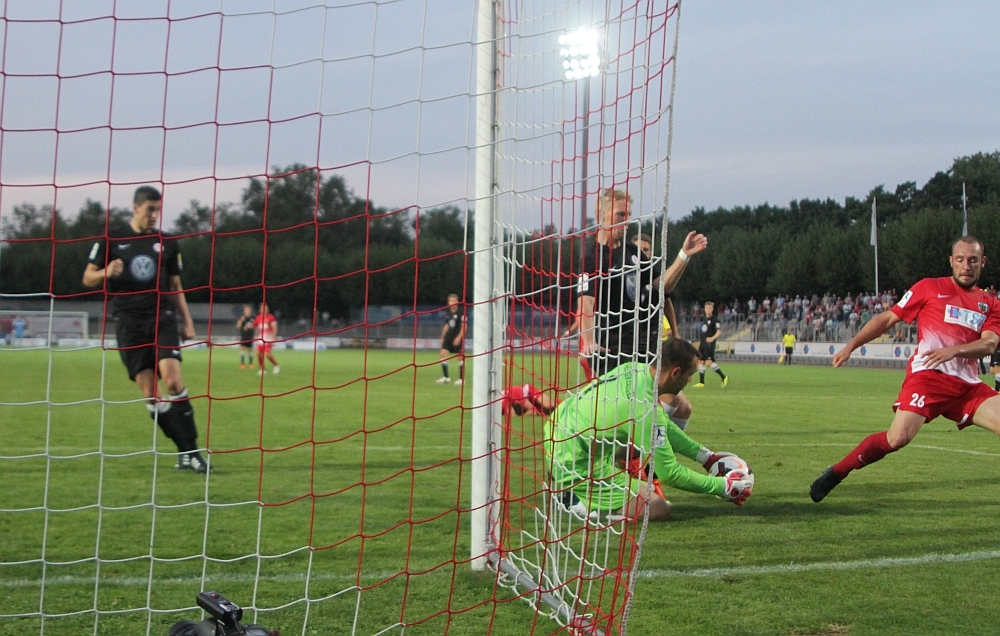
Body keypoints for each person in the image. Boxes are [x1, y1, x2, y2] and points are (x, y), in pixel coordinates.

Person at [810, 236, 1000, 502]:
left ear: (983, 262)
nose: (966, 266)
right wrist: (851, 346)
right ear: (951, 261)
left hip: (967, 387)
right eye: (960, 260)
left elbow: (989, 343)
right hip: (928, 377)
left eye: (973, 260)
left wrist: (953, 351)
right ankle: (838, 472)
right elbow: (888, 318)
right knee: (897, 438)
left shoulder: (990, 303)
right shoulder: (929, 287)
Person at [545, 337, 754, 522]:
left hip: (559, 428)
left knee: (637, 452)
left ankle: (572, 486)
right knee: (657, 508)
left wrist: (706, 457)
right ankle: (576, 502)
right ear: (676, 373)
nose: (690, 380)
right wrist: (723, 486)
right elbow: (670, 473)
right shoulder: (643, 408)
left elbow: (664, 427)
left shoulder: (635, 369)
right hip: (574, 459)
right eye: (689, 375)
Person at [82, 186, 210, 473]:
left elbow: (175, 285)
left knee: (173, 381)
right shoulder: (112, 240)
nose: (154, 215)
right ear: (135, 208)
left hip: (162, 319)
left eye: (158, 210)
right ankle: (186, 452)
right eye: (150, 209)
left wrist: (187, 320)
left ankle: (193, 452)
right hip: (129, 325)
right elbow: (87, 277)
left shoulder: (167, 242)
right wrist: (105, 272)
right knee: (152, 395)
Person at [577, 188, 706, 376]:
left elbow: (662, 288)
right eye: (621, 214)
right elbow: (585, 303)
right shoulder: (592, 258)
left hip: (643, 344)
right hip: (614, 348)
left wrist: (684, 255)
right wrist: (589, 341)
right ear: (600, 214)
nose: (626, 220)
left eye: (628, 214)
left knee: (672, 394)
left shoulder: (633, 252)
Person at [694, 301, 728, 387]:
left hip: (709, 344)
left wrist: (712, 338)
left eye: (710, 308)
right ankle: (701, 382)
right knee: (701, 361)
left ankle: (724, 377)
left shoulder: (715, 320)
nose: (708, 310)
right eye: (707, 308)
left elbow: (719, 331)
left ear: (712, 309)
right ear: (704, 309)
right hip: (703, 343)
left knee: (709, 363)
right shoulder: (704, 318)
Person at [437, 294, 466, 385]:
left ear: (457, 302)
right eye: (451, 301)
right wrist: (442, 337)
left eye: (454, 301)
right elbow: (447, 325)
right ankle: (446, 377)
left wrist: (459, 338)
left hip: (457, 337)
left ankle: (461, 379)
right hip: (448, 337)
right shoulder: (448, 312)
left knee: (460, 357)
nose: (452, 303)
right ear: (448, 302)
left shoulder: (461, 312)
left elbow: (464, 326)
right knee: (443, 354)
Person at [252, 303, 280, 375]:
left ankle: (276, 365)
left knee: (267, 354)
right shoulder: (258, 317)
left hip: (268, 339)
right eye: (262, 308)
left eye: (265, 308)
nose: (264, 310)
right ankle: (263, 369)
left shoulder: (271, 317)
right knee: (258, 353)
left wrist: (273, 338)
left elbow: (274, 328)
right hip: (260, 339)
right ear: (260, 310)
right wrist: (256, 333)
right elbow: (255, 326)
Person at [235, 305, 256, 369]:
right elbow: (238, 326)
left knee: (250, 350)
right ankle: (242, 363)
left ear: (250, 311)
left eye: (248, 310)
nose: (247, 311)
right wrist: (241, 321)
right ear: (244, 311)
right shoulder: (242, 318)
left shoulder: (252, 318)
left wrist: (250, 327)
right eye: (246, 310)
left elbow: (255, 326)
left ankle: (251, 363)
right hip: (244, 336)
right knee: (243, 349)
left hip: (250, 336)